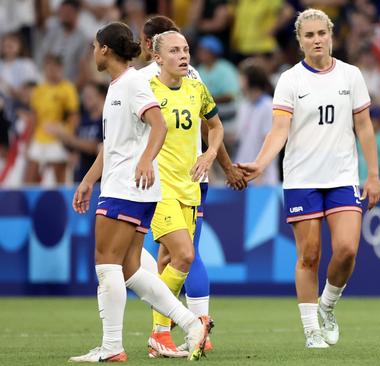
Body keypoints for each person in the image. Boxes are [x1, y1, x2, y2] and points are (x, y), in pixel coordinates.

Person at [68, 22, 211, 363]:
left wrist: (146, 160)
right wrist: (88, 180)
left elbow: (158, 124)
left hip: (127, 187)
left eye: (94, 46)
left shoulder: (133, 83)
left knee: (107, 266)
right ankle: (191, 324)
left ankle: (112, 346)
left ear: (105, 49)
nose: (92, 52)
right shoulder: (121, 84)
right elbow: (113, 144)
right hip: (126, 185)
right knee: (131, 269)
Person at [238, 8, 380, 349]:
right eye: (309, 35)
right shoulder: (289, 80)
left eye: (322, 33)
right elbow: (279, 129)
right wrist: (260, 163)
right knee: (309, 255)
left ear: (331, 36)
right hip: (302, 178)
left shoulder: (351, 76)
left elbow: (364, 127)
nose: (317, 40)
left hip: (343, 176)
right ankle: (311, 330)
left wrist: (372, 174)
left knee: (346, 250)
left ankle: (327, 305)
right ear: (300, 41)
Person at [136, 14, 246, 355]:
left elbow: (215, 127)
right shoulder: (143, 88)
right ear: (157, 56)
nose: (184, 56)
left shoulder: (195, 85)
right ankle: (178, 327)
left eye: (186, 49)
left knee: (174, 261)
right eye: (175, 50)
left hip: (191, 187)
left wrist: (212, 155)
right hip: (157, 188)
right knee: (184, 255)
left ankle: (163, 335)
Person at [24, 54, 79, 185]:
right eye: (48, 67)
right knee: (30, 176)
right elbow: (34, 117)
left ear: (60, 68)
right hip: (39, 136)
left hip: (58, 138)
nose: (51, 71)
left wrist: (71, 142)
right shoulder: (39, 90)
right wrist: (28, 141)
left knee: (58, 179)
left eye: (54, 67)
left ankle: (59, 205)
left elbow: (73, 116)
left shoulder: (68, 88)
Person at [234, 59, 278, 185]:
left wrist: (260, 173)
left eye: (240, 76)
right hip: (242, 176)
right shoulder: (244, 105)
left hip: (263, 179)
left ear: (247, 79)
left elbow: (269, 141)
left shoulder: (268, 106)